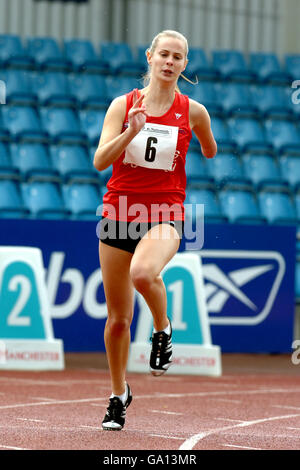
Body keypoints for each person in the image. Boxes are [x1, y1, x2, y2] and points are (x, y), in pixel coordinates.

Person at [93, 30, 217, 431]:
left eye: (177, 57)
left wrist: (199, 140)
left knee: (144, 273)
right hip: (118, 212)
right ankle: (118, 395)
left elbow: (211, 149)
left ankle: (162, 330)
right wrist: (131, 131)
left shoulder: (193, 110)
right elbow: (99, 161)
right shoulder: (122, 104)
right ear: (149, 57)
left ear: (185, 64)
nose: (169, 61)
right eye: (163, 54)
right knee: (117, 321)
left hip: (165, 213)